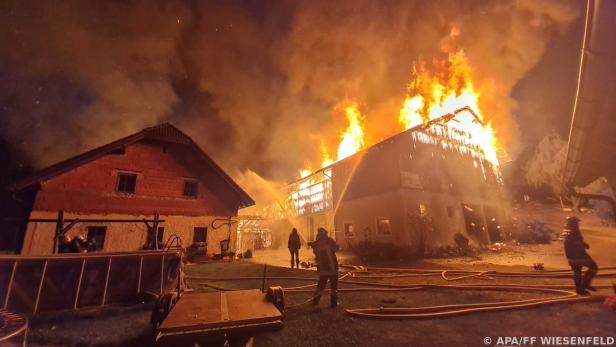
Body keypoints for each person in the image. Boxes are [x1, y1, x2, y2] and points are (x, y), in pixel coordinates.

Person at [563, 216, 598, 295]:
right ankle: (585, 284)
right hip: (579, 256)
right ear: (574, 224)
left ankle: (580, 289)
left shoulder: (567, 232)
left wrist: (583, 244)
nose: (578, 225)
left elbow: (572, 243)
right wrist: (585, 245)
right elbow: (578, 243)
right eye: (577, 223)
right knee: (593, 267)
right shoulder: (575, 232)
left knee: (577, 272)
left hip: (571, 256)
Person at [309, 227, 340, 307]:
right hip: (333, 267)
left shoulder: (316, 243)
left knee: (321, 286)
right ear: (325, 233)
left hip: (323, 268)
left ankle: (315, 301)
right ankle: (334, 303)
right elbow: (336, 248)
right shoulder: (329, 240)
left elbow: (315, 253)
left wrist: (312, 244)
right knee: (333, 286)